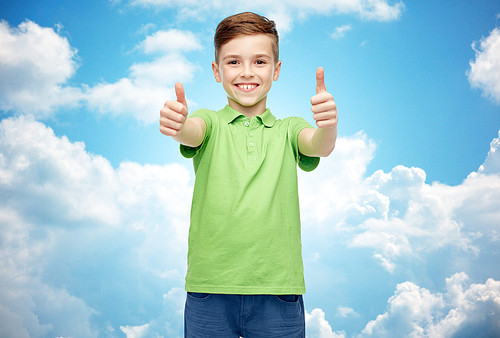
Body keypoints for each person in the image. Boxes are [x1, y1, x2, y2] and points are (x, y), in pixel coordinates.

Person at [159, 12, 338, 338]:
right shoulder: (209, 122)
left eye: (259, 61)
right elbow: (191, 132)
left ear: (276, 70)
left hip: (278, 289)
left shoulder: (289, 129)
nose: (246, 72)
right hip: (210, 287)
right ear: (216, 71)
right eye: (233, 62)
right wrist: (178, 125)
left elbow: (319, 146)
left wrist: (328, 126)